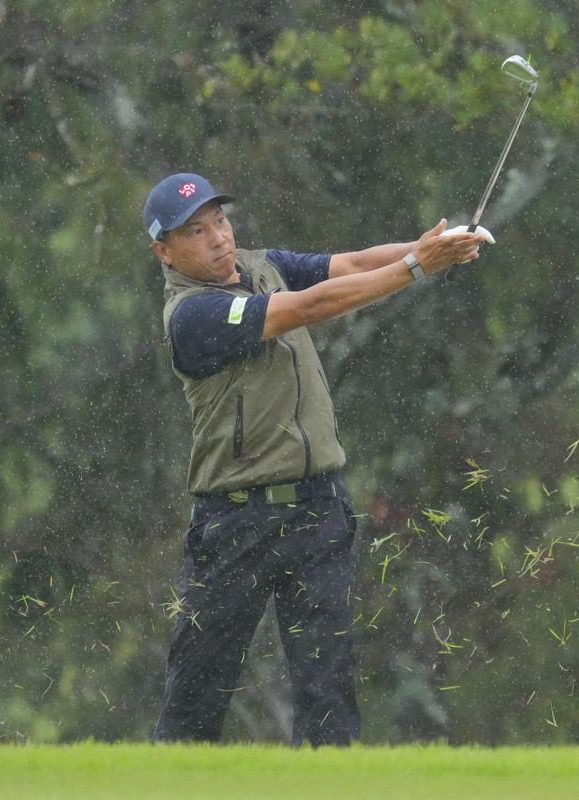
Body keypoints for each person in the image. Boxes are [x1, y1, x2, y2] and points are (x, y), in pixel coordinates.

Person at [143, 172, 491, 746]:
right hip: (234, 523)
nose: (218, 239)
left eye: (220, 221)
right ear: (165, 251)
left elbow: (350, 266)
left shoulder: (262, 265)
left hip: (318, 510)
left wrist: (439, 245)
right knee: (194, 706)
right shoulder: (192, 315)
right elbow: (305, 308)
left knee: (328, 699)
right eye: (195, 232)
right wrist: (417, 267)